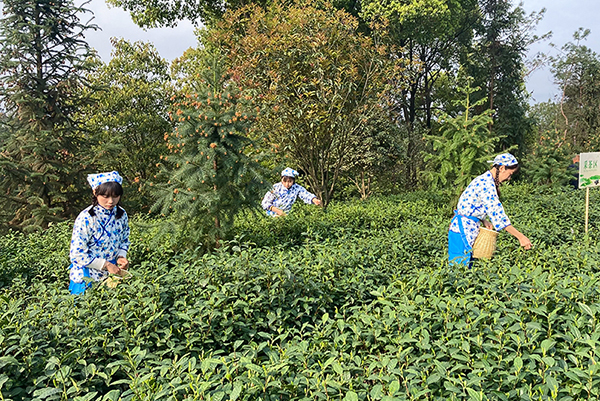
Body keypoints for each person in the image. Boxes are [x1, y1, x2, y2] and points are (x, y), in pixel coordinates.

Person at [448, 153, 532, 266]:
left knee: (465, 268)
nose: (509, 178)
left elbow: (469, 204)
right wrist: (521, 237)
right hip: (462, 230)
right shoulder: (486, 184)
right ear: (502, 168)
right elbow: (498, 215)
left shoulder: (485, 180)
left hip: (466, 227)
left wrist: (483, 219)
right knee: (458, 269)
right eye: (509, 174)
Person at [69, 171, 130, 294]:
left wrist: (121, 256)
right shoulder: (86, 218)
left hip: (111, 276)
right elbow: (77, 254)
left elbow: (124, 239)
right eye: (105, 196)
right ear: (95, 193)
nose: (111, 201)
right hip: (86, 276)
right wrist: (106, 265)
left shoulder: (121, 214)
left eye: (115, 196)